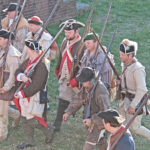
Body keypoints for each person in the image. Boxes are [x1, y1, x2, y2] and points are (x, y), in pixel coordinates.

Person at [14, 39, 52, 149]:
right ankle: (29, 140)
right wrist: (22, 77)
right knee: (25, 117)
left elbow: (37, 85)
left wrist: (21, 93)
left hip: (36, 95)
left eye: (29, 50)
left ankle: (48, 131)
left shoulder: (41, 66)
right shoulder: (30, 60)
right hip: (26, 94)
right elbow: (19, 70)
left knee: (33, 119)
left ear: (35, 52)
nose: (27, 52)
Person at [63, 67, 110, 150]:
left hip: (98, 123)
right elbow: (78, 99)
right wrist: (68, 112)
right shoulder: (87, 87)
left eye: (84, 80)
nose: (81, 82)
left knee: (88, 147)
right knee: (101, 141)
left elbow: (106, 113)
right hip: (91, 121)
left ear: (90, 81)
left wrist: (92, 120)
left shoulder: (101, 91)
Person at [53, 19, 86, 133]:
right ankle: (56, 125)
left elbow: (85, 66)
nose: (67, 34)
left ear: (76, 31)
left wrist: (77, 80)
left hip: (79, 81)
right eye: (66, 32)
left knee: (87, 103)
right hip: (65, 78)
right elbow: (61, 57)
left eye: (69, 32)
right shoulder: (64, 42)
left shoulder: (82, 45)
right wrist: (58, 69)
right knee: (63, 101)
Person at [117, 39, 150, 141]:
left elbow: (142, 89)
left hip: (135, 101)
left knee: (135, 128)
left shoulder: (138, 69)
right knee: (121, 122)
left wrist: (133, 105)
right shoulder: (125, 64)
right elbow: (127, 81)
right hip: (125, 99)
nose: (121, 56)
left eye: (123, 54)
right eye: (120, 54)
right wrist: (120, 83)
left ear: (130, 56)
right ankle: (123, 142)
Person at [0, 29, 21, 141]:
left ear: (7, 40)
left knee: (2, 112)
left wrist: (5, 88)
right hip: (2, 83)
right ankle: (16, 114)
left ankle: (2, 135)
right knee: (1, 108)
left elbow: (13, 74)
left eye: (0, 39)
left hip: (6, 86)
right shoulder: (3, 50)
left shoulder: (12, 54)